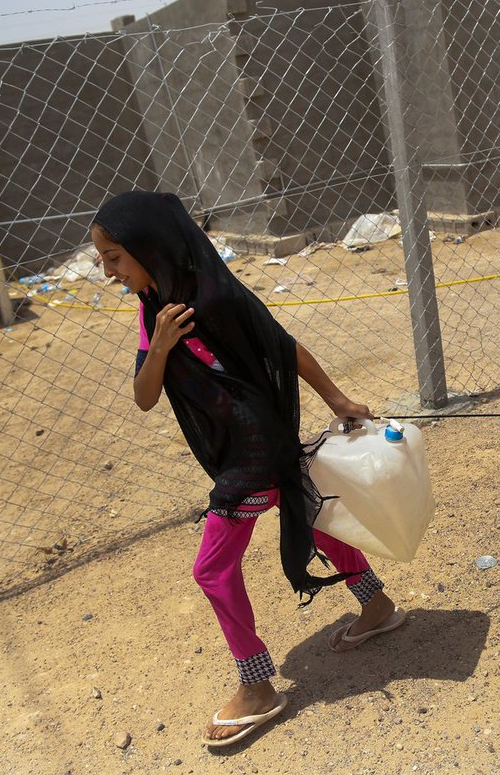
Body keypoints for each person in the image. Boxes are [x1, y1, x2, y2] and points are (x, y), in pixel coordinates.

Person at [91, 190, 406, 747]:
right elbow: (144, 396)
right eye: (103, 258)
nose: (106, 268)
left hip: (253, 448)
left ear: (150, 247)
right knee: (308, 517)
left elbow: (283, 349)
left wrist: (338, 401)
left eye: (114, 256)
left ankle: (257, 686)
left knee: (210, 571)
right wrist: (161, 346)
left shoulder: (214, 298)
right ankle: (376, 605)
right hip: (239, 443)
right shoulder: (155, 310)